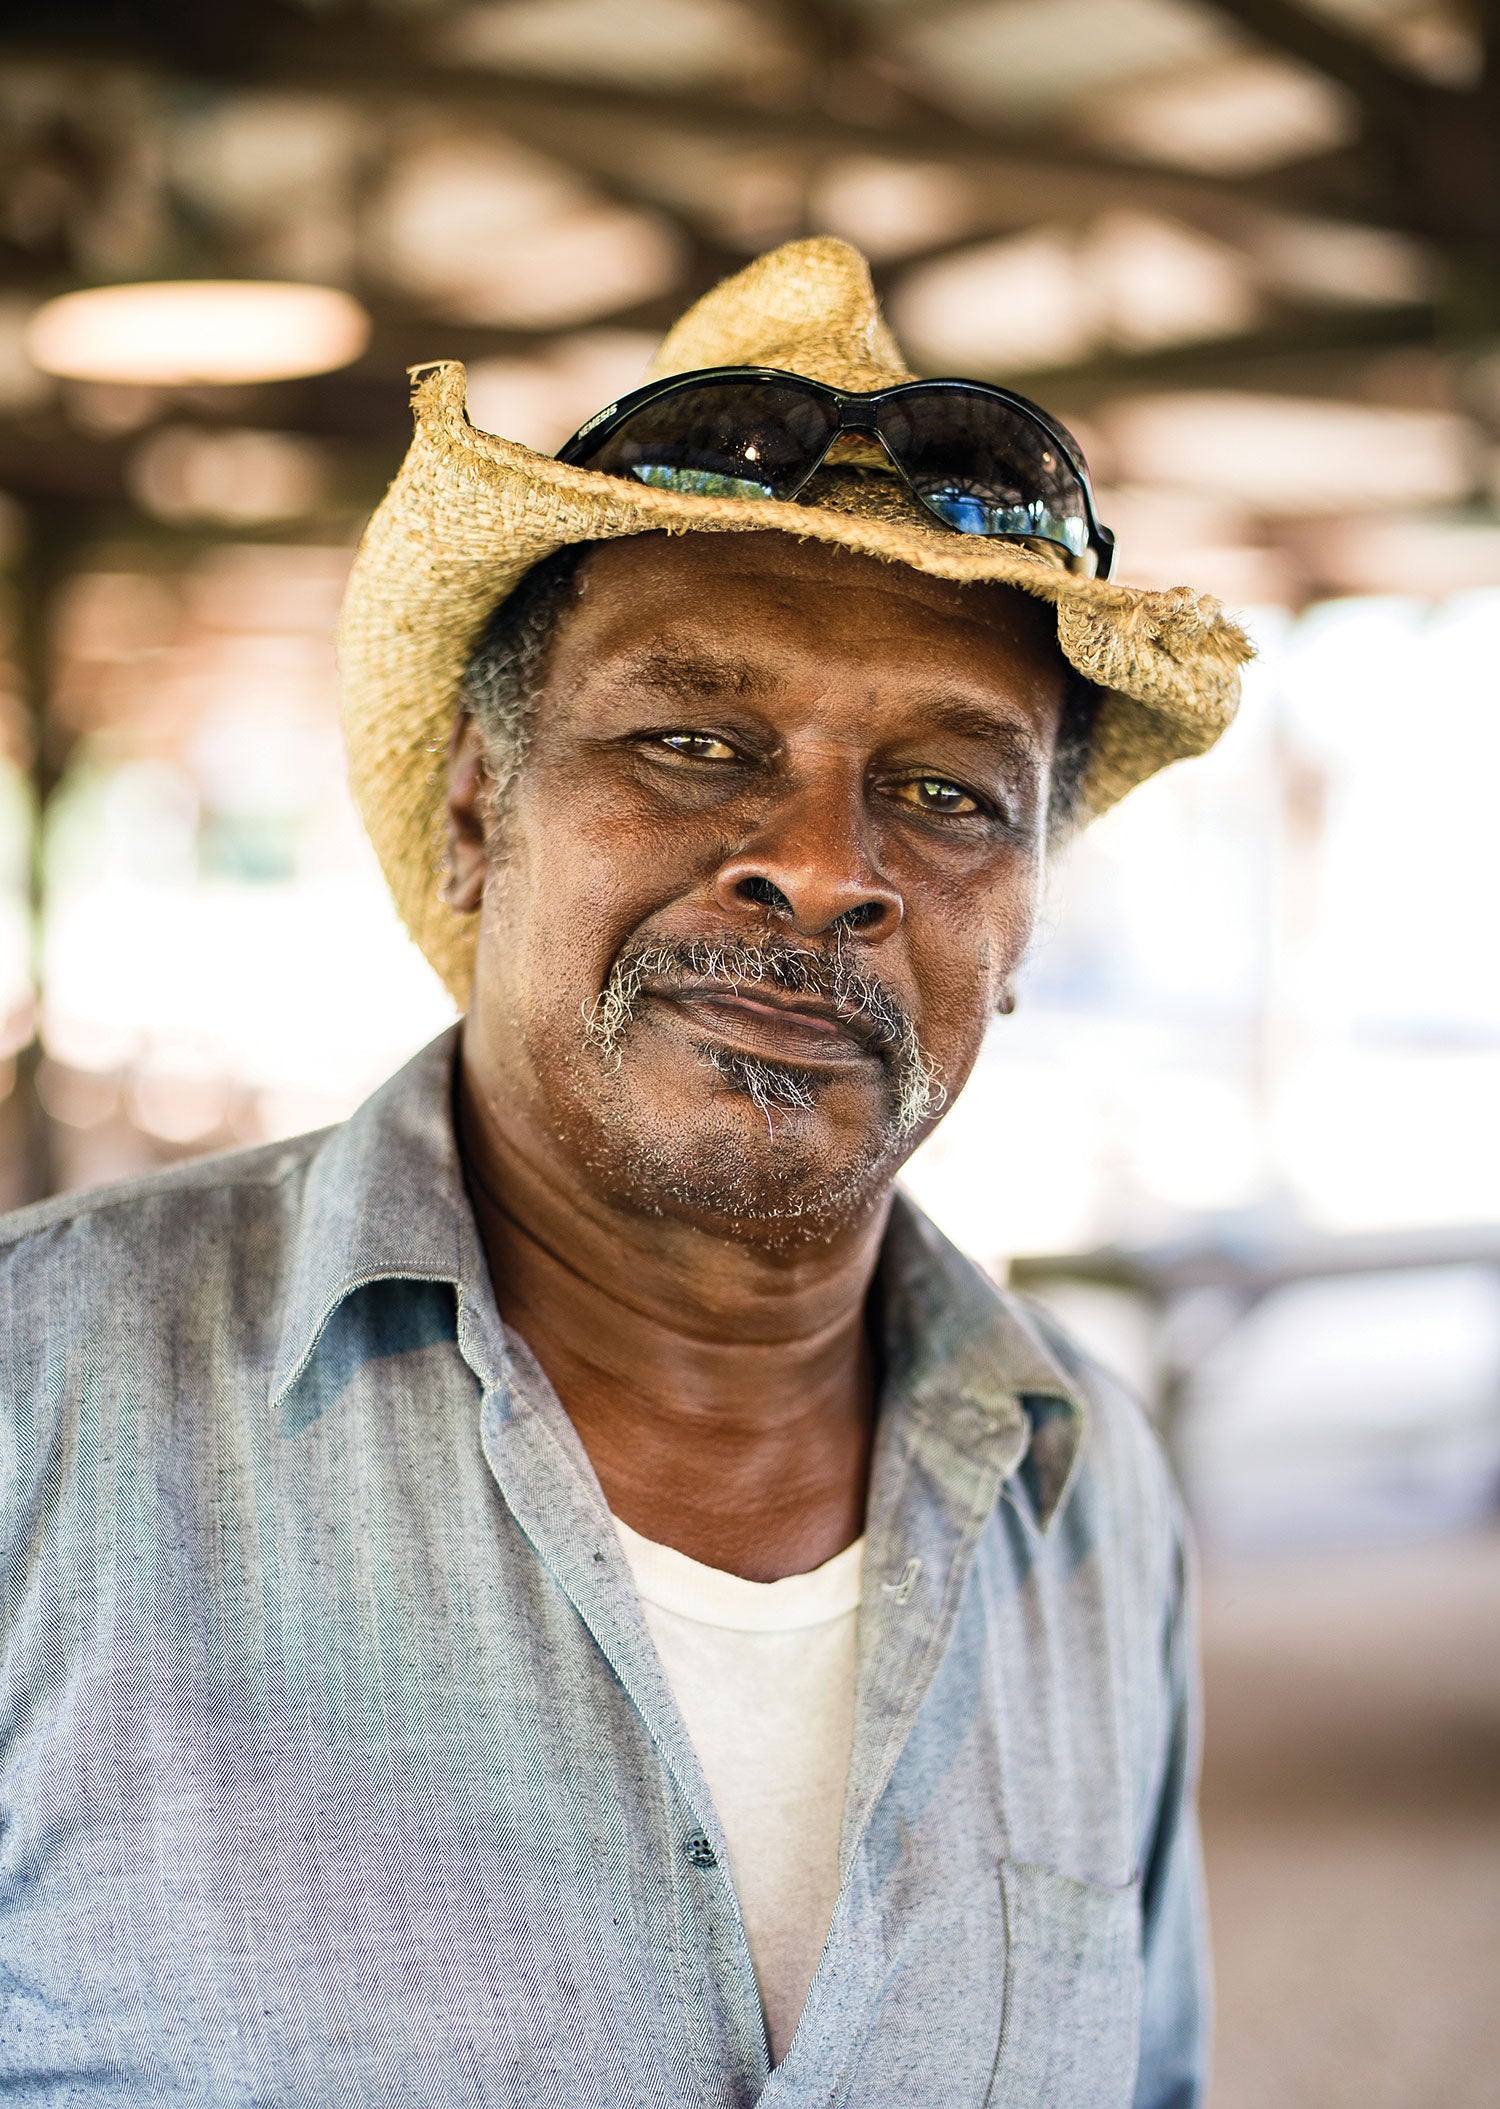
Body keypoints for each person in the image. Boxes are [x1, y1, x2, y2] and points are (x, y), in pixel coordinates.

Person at [0, 239, 1249, 2106]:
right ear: (478, 812)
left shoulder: (1080, 1488)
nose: (826, 865)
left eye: (946, 792)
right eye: (694, 741)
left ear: (1023, 920)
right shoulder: (40, 1402)